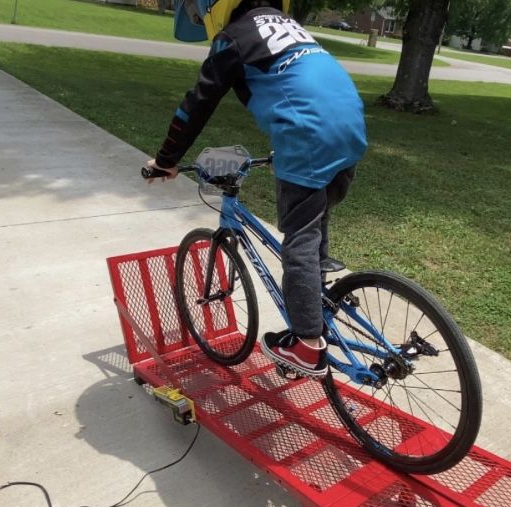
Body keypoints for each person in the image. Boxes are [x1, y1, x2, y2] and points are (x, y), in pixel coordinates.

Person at [147, 0, 367, 378]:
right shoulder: (287, 25)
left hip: (307, 134)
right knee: (315, 219)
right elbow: (298, 84)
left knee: (298, 238)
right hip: (350, 129)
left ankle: (307, 344)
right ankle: (316, 298)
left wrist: (166, 160)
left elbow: (197, 103)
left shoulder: (233, 37)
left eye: (199, 14)